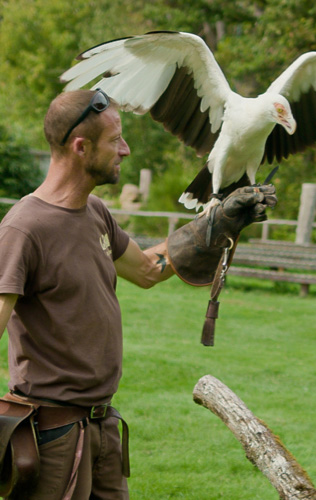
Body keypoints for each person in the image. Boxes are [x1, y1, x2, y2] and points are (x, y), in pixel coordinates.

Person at [0, 89, 276, 500]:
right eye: (115, 139)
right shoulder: (24, 228)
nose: (125, 150)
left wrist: (216, 223)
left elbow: (148, 270)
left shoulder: (95, 213)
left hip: (102, 429)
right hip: (53, 436)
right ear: (80, 147)